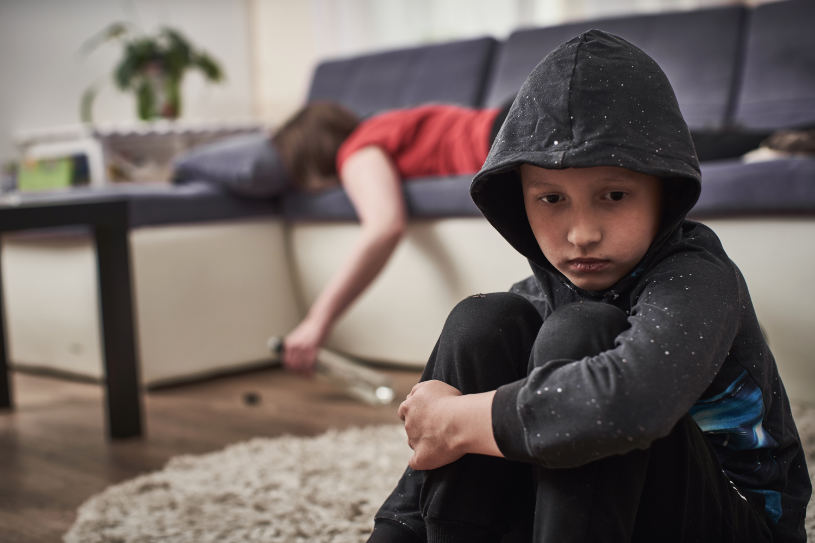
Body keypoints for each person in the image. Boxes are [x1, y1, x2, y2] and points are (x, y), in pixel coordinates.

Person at [368, 30, 811, 542]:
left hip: (732, 521)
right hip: (602, 517)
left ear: (662, 193)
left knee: (583, 332)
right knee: (482, 322)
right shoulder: (538, 291)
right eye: (551, 200)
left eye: (614, 195)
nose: (582, 234)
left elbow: (631, 403)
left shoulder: (699, 277)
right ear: (520, 202)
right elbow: (430, 443)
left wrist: (458, 420)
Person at [272, 100, 511, 372]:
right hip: (509, 121)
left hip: (505, 137)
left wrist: (316, 322)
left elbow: (384, 227)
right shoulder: (381, 125)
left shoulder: (357, 151)